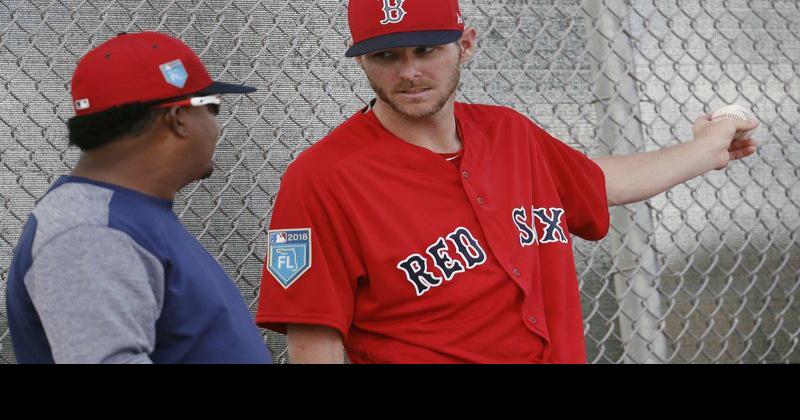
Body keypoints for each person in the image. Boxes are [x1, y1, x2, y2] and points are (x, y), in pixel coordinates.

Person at [255, 0, 759, 363]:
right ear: (362, 59)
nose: (408, 72)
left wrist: (706, 151)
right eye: (386, 56)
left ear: (466, 44)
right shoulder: (321, 179)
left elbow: (595, 182)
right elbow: (313, 343)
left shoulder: (510, 134)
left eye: (426, 49)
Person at [6, 32, 271, 364]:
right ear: (178, 118)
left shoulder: (128, 213)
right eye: (211, 107)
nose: (216, 125)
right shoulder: (89, 233)